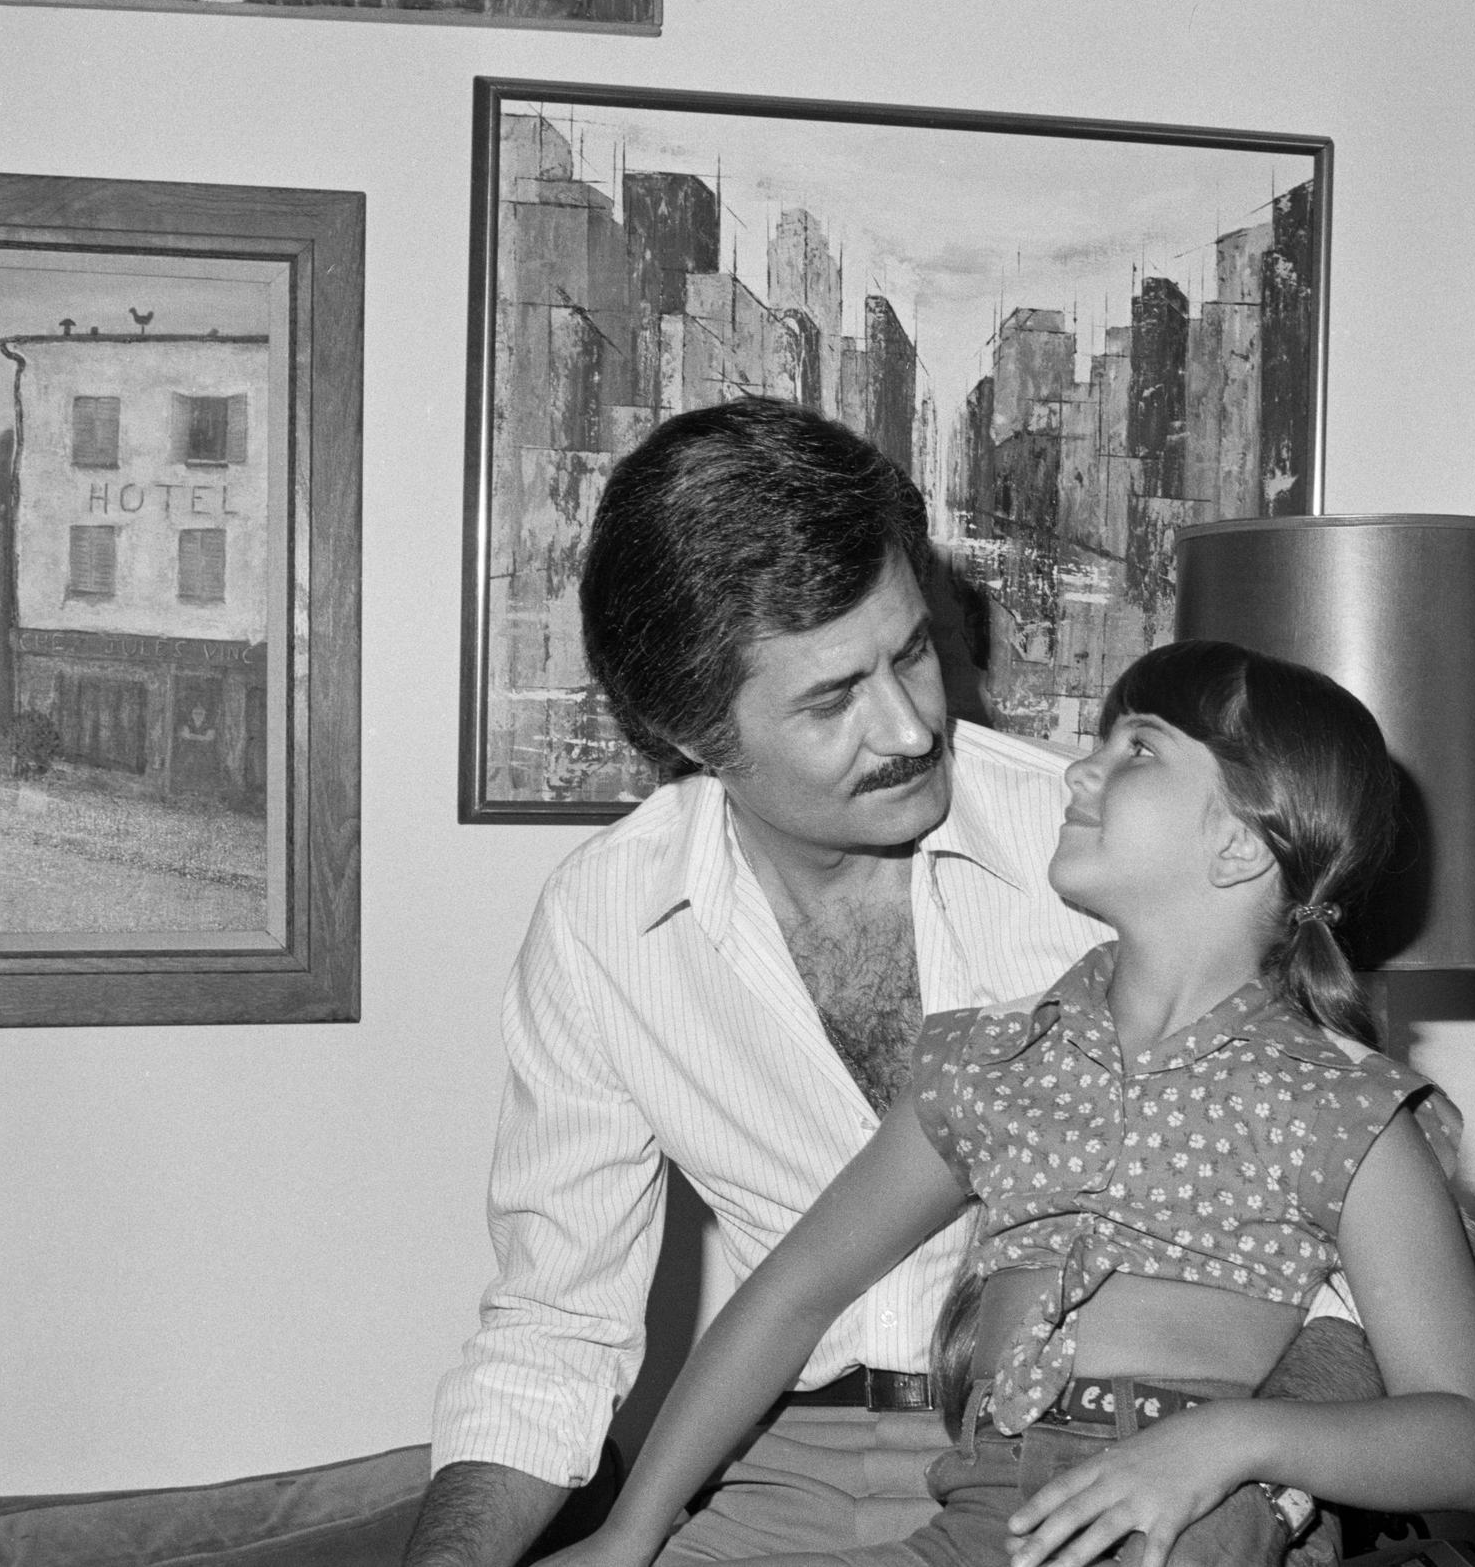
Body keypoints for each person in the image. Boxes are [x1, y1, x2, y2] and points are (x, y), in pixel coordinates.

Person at [406, 400, 1377, 1567]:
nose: (916, 725)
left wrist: (1254, 1489)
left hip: (1115, 1461)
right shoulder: (600, 926)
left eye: (912, 649)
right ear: (692, 734)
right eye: (831, 698)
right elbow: (555, 1328)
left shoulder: (1110, 853)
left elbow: (1356, 1275)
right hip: (781, 1469)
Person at [533, 639, 1475, 1567]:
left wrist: (1237, 1445)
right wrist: (629, 1535)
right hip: (987, 1527)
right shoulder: (998, 1057)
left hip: (1186, 1525)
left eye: (1137, 750)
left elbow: (1470, 1436)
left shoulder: (1337, 1103)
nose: (1078, 774)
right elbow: (794, 1293)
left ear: (1241, 842)